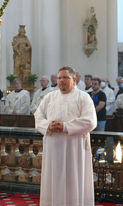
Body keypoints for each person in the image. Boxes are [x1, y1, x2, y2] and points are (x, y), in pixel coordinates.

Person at [34, 66, 97, 206]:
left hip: (74, 148)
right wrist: (48, 126)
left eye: (65, 78)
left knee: (73, 179)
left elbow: (91, 121)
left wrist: (66, 126)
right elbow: (38, 116)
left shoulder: (83, 97)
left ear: (74, 80)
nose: (61, 81)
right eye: (59, 78)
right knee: (54, 179)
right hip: (53, 147)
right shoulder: (50, 97)